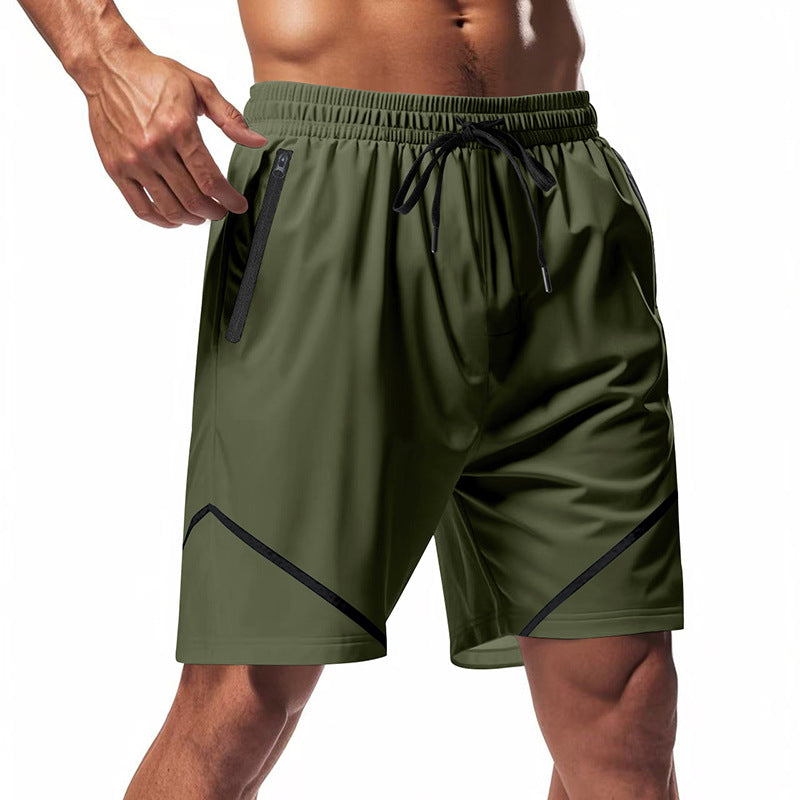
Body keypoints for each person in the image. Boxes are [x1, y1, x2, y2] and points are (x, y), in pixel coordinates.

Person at [18, 1, 684, 798]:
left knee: (625, 710)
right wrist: (102, 57)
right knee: (244, 695)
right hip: (338, 185)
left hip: (561, 192)